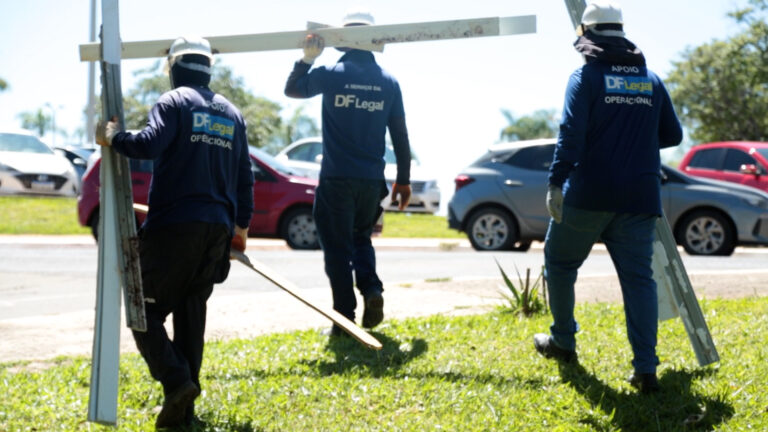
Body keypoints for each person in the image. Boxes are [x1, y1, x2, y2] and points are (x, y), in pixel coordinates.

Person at [95, 36, 254, 427]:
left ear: (173, 68)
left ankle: (177, 381)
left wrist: (113, 136)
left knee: (144, 312)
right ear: (208, 68)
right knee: (190, 318)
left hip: (175, 227)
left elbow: (148, 144)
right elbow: (244, 180)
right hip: (217, 231)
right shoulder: (232, 114)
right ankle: (183, 412)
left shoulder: (174, 101)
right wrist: (240, 229)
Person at [533, 1, 683, 394]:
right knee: (639, 280)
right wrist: (633, 141)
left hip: (589, 194)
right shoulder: (651, 80)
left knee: (560, 263)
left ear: (588, 34)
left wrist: (555, 183)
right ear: (621, 32)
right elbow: (673, 135)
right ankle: (646, 370)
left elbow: (570, 135)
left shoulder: (585, 77)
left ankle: (563, 342)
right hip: (640, 197)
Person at [284, 9, 412, 336]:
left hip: (337, 179)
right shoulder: (388, 82)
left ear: (344, 40)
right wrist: (403, 181)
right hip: (371, 181)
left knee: (337, 249)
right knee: (360, 238)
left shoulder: (331, 73)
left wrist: (307, 58)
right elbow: (400, 136)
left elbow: (293, 89)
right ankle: (371, 288)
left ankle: (344, 320)